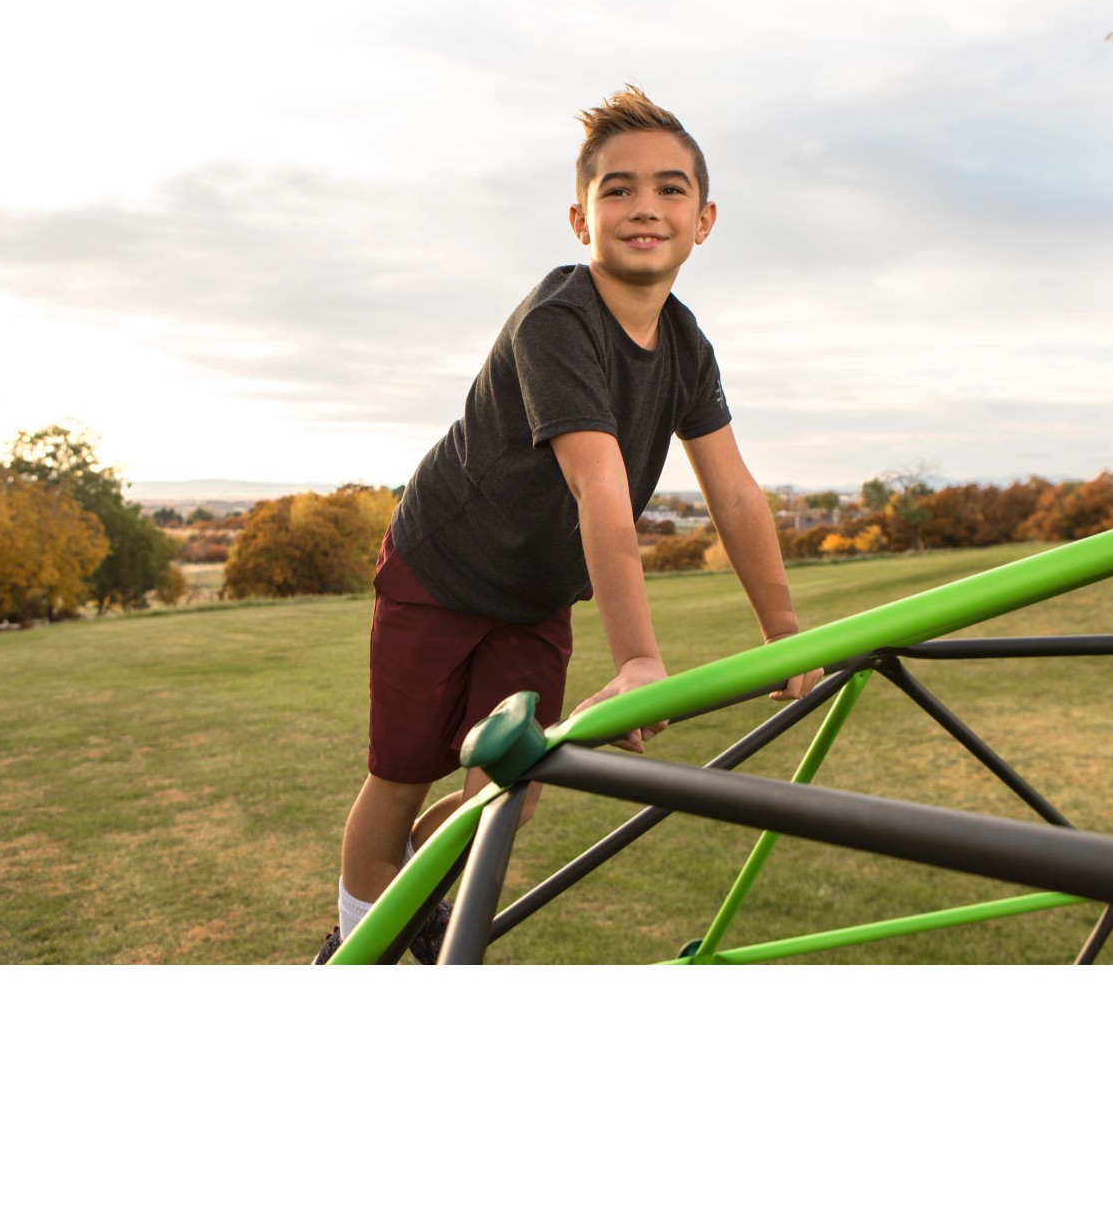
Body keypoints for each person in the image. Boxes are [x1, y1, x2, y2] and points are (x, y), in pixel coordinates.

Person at [317, 84, 821, 963]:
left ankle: (412, 899)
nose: (644, 207)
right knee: (400, 780)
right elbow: (600, 488)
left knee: (507, 791)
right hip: (443, 569)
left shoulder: (687, 346)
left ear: (703, 221)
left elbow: (735, 493)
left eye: (669, 189)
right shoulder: (557, 321)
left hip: (535, 595)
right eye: (618, 189)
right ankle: (355, 951)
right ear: (581, 218)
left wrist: (785, 634)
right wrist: (638, 660)